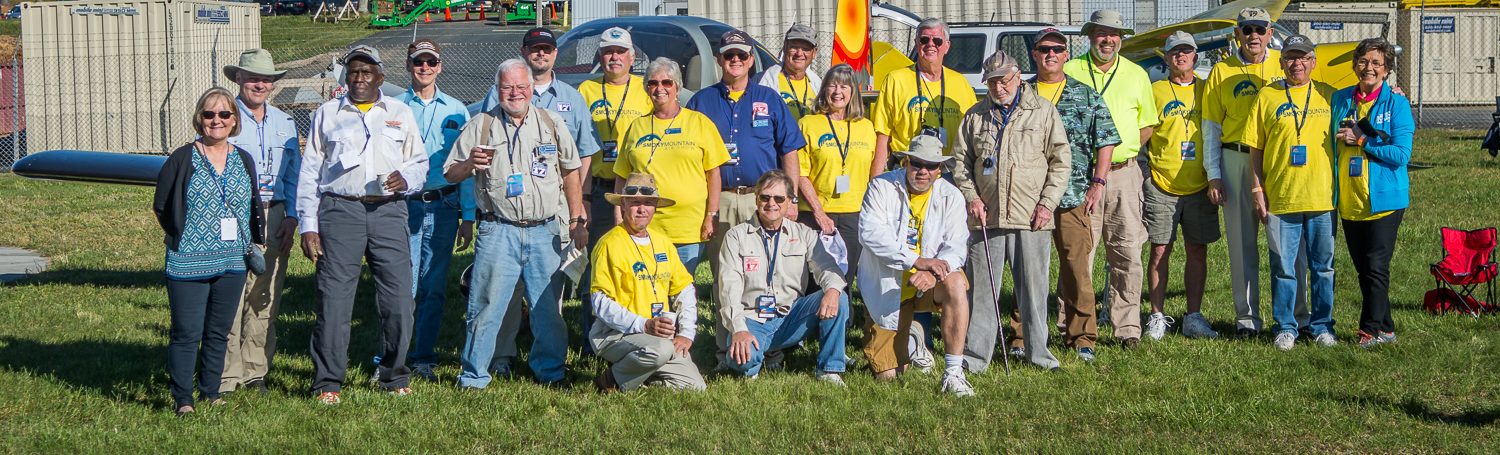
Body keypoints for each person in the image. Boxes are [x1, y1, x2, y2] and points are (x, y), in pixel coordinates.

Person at [444, 58, 586, 388]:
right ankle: (474, 376)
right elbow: (450, 172)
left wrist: (577, 218)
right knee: (486, 306)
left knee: (547, 308)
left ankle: (550, 372)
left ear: (532, 90)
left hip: (545, 230)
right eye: (507, 87)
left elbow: (571, 171)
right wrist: (469, 164)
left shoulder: (551, 123)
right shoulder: (480, 125)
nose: (515, 93)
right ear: (497, 90)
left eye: (521, 87)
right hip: (498, 230)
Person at [297, 46, 428, 403]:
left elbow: (419, 162)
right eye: (353, 72)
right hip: (341, 212)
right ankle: (328, 382)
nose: (359, 78)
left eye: (366, 72)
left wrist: (408, 179)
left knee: (399, 298)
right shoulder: (327, 114)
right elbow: (310, 172)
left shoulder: (400, 112)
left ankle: (393, 375)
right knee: (334, 300)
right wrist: (308, 224)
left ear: (380, 78)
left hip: (390, 212)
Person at [489, 27, 603, 377]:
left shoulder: (572, 97)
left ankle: (544, 361)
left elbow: (584, 154)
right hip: (507, 207)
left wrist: (579, 202)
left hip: (553, 208)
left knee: (549, 289)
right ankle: (502, 357)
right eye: (535, 49)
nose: (541, 54)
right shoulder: (500, 93)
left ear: (555, 54)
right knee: (507, 289)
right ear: (523, 52)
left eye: (547, 49)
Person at [954, 51, 1071, 373]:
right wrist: (971, 197)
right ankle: (976, 358)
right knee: (981, 294)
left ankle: (1040, 356)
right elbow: (960, 164)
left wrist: (1047, 204)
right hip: (985, 219)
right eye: (991, 82)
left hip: (1031, 219)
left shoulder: (1043, 112)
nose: (998, 87)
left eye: (1003, 80)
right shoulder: (974, 116)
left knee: (1033, 293)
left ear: (1018, 76)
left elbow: (1061, 163)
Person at [155, 87, 264, 416]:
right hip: (187, 261)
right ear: (199, 119)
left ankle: (210, 390)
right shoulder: (182, 157)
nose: (216, 120)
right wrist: (184, 237)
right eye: (209, 114)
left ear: (234, 120)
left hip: (232, 261)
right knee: (186, 333)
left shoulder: (243, 159)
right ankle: (183, 399)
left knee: (218, 332)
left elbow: (251, 204)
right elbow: (162, 205)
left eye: (224, 114)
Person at [1202, 7, 1309, 339]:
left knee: (1289, 242)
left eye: (1259, 29)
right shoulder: (1221, 71)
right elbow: (1210, 127)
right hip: (1235, 158)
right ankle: (1247, 319)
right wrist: (1213, 173)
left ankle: (1297, 317)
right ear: (1237, 34)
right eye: (1246, 29)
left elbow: (1318, 96)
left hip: (1278, 162)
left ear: (1269, 33)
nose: (1253, 36)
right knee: (1241, 243)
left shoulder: (1285, 62)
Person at [1023, 28, 1120, 363]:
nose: (1051, 54)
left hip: (1073, 193)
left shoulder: (1086, 95)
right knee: (1027, 270)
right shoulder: (1021, 93)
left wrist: (1098, 182)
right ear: (1034, 55)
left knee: (1077, 269)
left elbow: (1105, 139)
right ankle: (1022, 335)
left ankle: (1082, 338)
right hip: (1027, 198)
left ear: (1067, 55)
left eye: (1057, 49)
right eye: (1044, 49)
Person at [1062, 10, 1156, 347]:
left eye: (1114, 34)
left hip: (1124, 176)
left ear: (1121, 39)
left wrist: (1120, 152)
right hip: (1079, 176)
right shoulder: (1070, 70)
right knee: (1078, 252)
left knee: (1127, 252)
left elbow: (1147, 124)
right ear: (1089, 36)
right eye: (1101, 33)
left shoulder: (1136, 74)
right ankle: (1072, 324)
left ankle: (1127, 327)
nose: (1107, 40)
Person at [1242, 35, 1338, 351]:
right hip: (1281, 197)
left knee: (1322, 267)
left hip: (1322, 198)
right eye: (1291, 58)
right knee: (1283, 268)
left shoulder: (1329, 96)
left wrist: (1394, 91)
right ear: (1281, 62)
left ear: (1313, 61)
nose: (1297, 63)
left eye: (1303, 57)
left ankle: (1322, 326)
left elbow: (1365, 101)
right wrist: (1258, 188)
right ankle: (1285, 326)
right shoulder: (1267, 96)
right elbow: (1255, 149)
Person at [857, 135, 973, 396]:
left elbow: (957, 245)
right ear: (905, 162)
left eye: (931, 165)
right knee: (889, 377)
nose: (923, 171)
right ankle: (914, 340)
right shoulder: (880, 186)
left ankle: (954, 372)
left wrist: (935, 271)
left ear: (940, 169)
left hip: (930, 284)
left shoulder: (951, 195)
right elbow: (870, 234)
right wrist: (917, 261)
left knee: (955, 282)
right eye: (916, 163)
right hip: (887, 289)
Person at [390, 39, 476, 383]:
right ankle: (392, 356)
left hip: (443, 206)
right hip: (403, 206)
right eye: (418, 62)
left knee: (434, 287)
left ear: (440, 66)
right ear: (408, 66)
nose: (424, 68)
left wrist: (467, 216)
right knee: (400, 287)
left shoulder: (457, 110)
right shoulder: (392, 108)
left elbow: (468, 167)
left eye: (431, 62)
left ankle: (424, 356)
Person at [718, 170, 850, 384]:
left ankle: (828, 369)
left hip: (791, 317)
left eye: (779, 198)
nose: (772, 203)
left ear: (789, 202)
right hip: (753, 318)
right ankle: (756, 360)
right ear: (756, 199)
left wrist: (833, 291)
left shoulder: (804, 233)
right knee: (742, 361)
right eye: (765, 197)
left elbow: (826, 267)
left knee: (838, 296)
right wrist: (739, 330)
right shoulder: (736, 236)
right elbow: (728, 288)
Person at [219, 49, 299, 396]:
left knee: (264, 297)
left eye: (266, 79)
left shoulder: (285, 123)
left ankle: (255, 372)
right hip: (235, 215)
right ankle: (225, 376)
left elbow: (296, 175)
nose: (260, 84)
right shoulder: (223, 116)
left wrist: (293, 216)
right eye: (252, 77)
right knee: (231, 295)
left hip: (277, 212)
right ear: (238, 78)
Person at [1330, 38, 1413, 348]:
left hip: (1385, 200)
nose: (1369, 68)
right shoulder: (1340, 99)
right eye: (1364, 61)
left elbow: (1402, 154)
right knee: (1365, 269)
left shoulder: (1397, 103)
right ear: (1355, 65)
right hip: (1351, 199)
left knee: (1376, 266)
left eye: (1377, 63)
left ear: (1387, 69)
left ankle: (1369, 331)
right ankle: (1387, 328)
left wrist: (1363, 141)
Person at [589, 173, 706, 393]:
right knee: (661, 349)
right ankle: (611, 379)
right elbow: (600, 302)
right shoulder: (609, 244)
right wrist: (643, 325)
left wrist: (686, 334)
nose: (642, 209)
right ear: (623, 205)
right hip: (615, 333)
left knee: (695, 387)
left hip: (657, 336)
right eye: (635, 203)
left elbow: (684, 288)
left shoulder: (662, 241)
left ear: (655, 207)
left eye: (648, 203)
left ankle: (639, 376)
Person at [614, 57, 730, 272]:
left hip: (688, 225)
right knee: (649, 285)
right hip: (646, 223)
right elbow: (623, 175)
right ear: (647, 89)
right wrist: (619, 217)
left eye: (667, 83)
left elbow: (714, 174)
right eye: (653, 83)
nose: (660, 88)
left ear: (678, 88)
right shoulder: (636, 127)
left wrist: (711, 215)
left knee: (683, 287)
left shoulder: (699, 122)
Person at [576, 26, 653, 344]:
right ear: (599, 56)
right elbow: (579, 146)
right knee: (595, 265)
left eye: (621, 52)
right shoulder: (587, 89)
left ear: (633, 57)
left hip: (635, 192)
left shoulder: (646, 88)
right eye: (608, 51)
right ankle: (588, 338)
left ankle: (633, 333)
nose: (614, 57)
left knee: (635, 264)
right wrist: (582, 200)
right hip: (598, 188)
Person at [1143, 32, 1221, 340]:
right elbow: (1144, 133)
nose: (1180, 56)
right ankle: (1157, 316)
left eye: (1186, 51)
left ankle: (1193, 316)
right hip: (1162, 182)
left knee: (1197, 249)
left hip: (1200, 182)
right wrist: (1146, 173)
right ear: (1166, 57)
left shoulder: (1207, 89)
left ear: (1195, 55)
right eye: (1174, 51)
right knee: (1160, 249)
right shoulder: (1155, 90)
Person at [794, 63, 875, 284]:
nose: (838, 92)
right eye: (832, 85)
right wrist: (819, 213)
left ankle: (844, 320)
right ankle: (811, 318)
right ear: (824, 90)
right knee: (814, 278)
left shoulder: (867, 127)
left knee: (845, 277)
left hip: (854, 213)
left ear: (853, 92)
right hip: (814, 214)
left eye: (844, 87)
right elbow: (801, 173)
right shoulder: (808, 124)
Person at [870, 18, 978, 167]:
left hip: (949, 173)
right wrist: (875, 181)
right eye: (924, 39)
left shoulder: (961, 83)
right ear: (916, 44)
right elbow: (883, 135)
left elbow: (974, 133)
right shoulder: (896, 80)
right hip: (908, 170)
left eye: (937, 41)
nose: (930, 44)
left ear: (946, 46)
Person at [754, 23, 822, 120]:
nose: (799, 53)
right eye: (794, 47)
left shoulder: (819, 86)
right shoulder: (761, 81)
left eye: (806, 49)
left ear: (814, 52)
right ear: (785, 47)